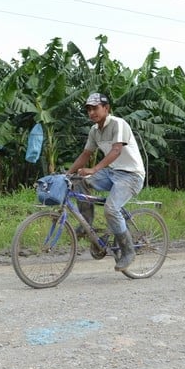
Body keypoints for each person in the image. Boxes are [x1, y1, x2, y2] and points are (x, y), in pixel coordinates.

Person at [66, 93, 146, 271]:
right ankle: (87, 223)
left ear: (106, 108)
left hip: (131, 175)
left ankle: (128, 251)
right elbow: (85, 155)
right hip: (112, 173)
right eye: (89, 109)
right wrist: (67, 174)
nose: (92, 112)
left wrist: (94, 169)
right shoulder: (94, 131)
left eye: (95, 108)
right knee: (80, 181)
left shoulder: (119, 124)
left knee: (111, 209)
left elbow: (116, 150)